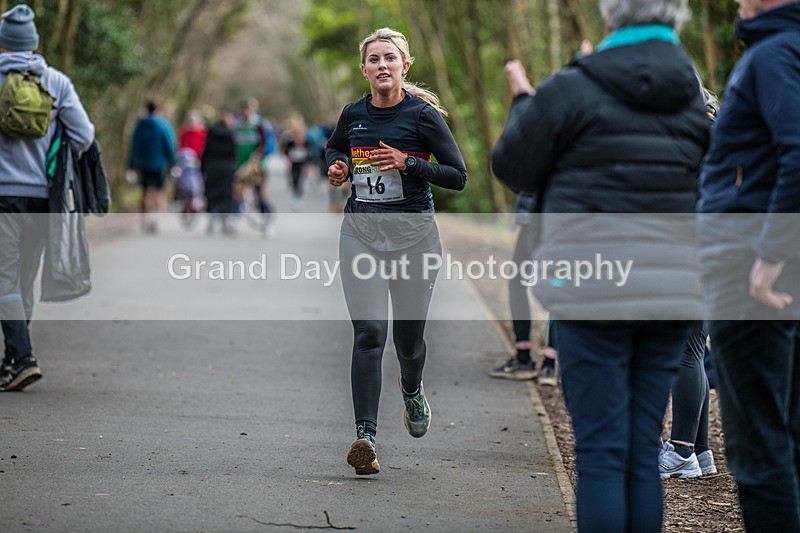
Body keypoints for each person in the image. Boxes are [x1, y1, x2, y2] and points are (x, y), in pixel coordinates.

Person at [492, 1, 709, 531]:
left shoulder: (573, 87)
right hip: (672, 289)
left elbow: (512, 166)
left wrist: (524, 101)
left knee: (602, 454)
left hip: (591, 288)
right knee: (639, 450)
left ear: (610, 17)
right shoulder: (696, 96)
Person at [326, 27, 466, 476]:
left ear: (405, 66)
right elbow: (335, 146)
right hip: (361, 234)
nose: (382, 65)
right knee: (369, 333)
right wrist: (338, 166)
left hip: (414, 240)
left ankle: (412, 387)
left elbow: (458, 176)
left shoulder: (423, 117)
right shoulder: (353, 114)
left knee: (407, 343)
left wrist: (410, 163)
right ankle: (365, 438)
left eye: (390, 58)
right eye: (374, 59)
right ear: (364, 69)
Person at [698, 1, 800, 530]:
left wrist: (770, 255)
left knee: (758, 443)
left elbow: (796, 153)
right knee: (785, 434)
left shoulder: (773, 56)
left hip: (752, 273)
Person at [0, 4, 94, 391]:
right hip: (42, 198)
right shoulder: (56, 82)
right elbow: (84, 135)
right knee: (23, 279)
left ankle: (21, 356)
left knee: (3, 278)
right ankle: (13, 361)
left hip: (3, 196)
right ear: (34, 42)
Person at [488, 192, 557, 384]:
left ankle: (524, 358)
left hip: (535, 214)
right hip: (566, 216)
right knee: (558, 284)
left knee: (518, 282)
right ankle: (550, 365)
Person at [128, 100, 176, 233]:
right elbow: (170, 145)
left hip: (143, 164)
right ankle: (154, 218)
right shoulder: (164, 125)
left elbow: (134, 147)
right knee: (158, 191)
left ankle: (144, 218)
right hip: (160, 164)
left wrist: (131, 165)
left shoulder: (140, 126)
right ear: (158, 110)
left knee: (144, 191)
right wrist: (172, 162)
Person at [202, 109, 237, 235]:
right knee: (226, 195)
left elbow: (206, 151)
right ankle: (225, 221)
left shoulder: (211, 133)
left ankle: (211, 218)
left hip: (212, 167)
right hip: (227, 169)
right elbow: (233, 153)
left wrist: (203, 168)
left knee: (211, 193)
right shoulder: (230, 134)